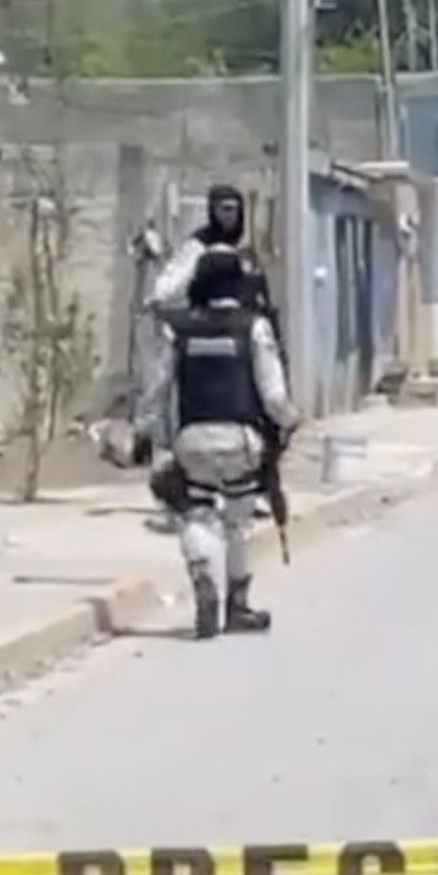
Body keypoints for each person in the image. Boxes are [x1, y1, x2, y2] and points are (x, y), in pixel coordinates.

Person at [138, 248, 302, 639]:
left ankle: (201, 576)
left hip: (192, 442)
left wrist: (146, 431)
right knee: (237, 522)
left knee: (193, 513)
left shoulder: (177, 329)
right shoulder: (254, 327)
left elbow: (156, 390)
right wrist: (291, 423)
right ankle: (237, 606)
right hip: (242, 444)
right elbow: (274, 395)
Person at [150, 184, 255, 314]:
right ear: (213, 210)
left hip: (240, 320)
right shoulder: (200, 243)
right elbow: (179, 272)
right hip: (206, 320)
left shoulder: (243, 246)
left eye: (235, 209)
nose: (231, 214)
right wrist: (159, 295)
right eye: (225, 209)